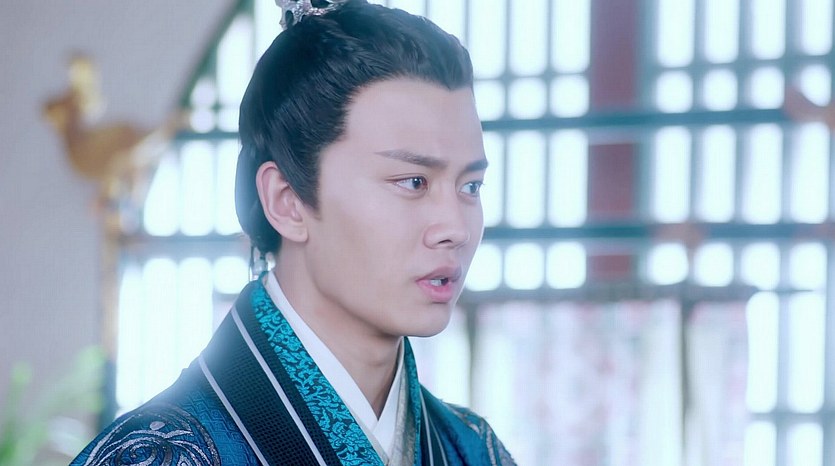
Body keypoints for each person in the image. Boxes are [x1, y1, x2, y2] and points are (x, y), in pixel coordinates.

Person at [70, 0, 515, 464]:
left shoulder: (474, 449)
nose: (455, 228)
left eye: (471, 186)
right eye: (413, 182)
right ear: (287, 201)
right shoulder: (161, 455)